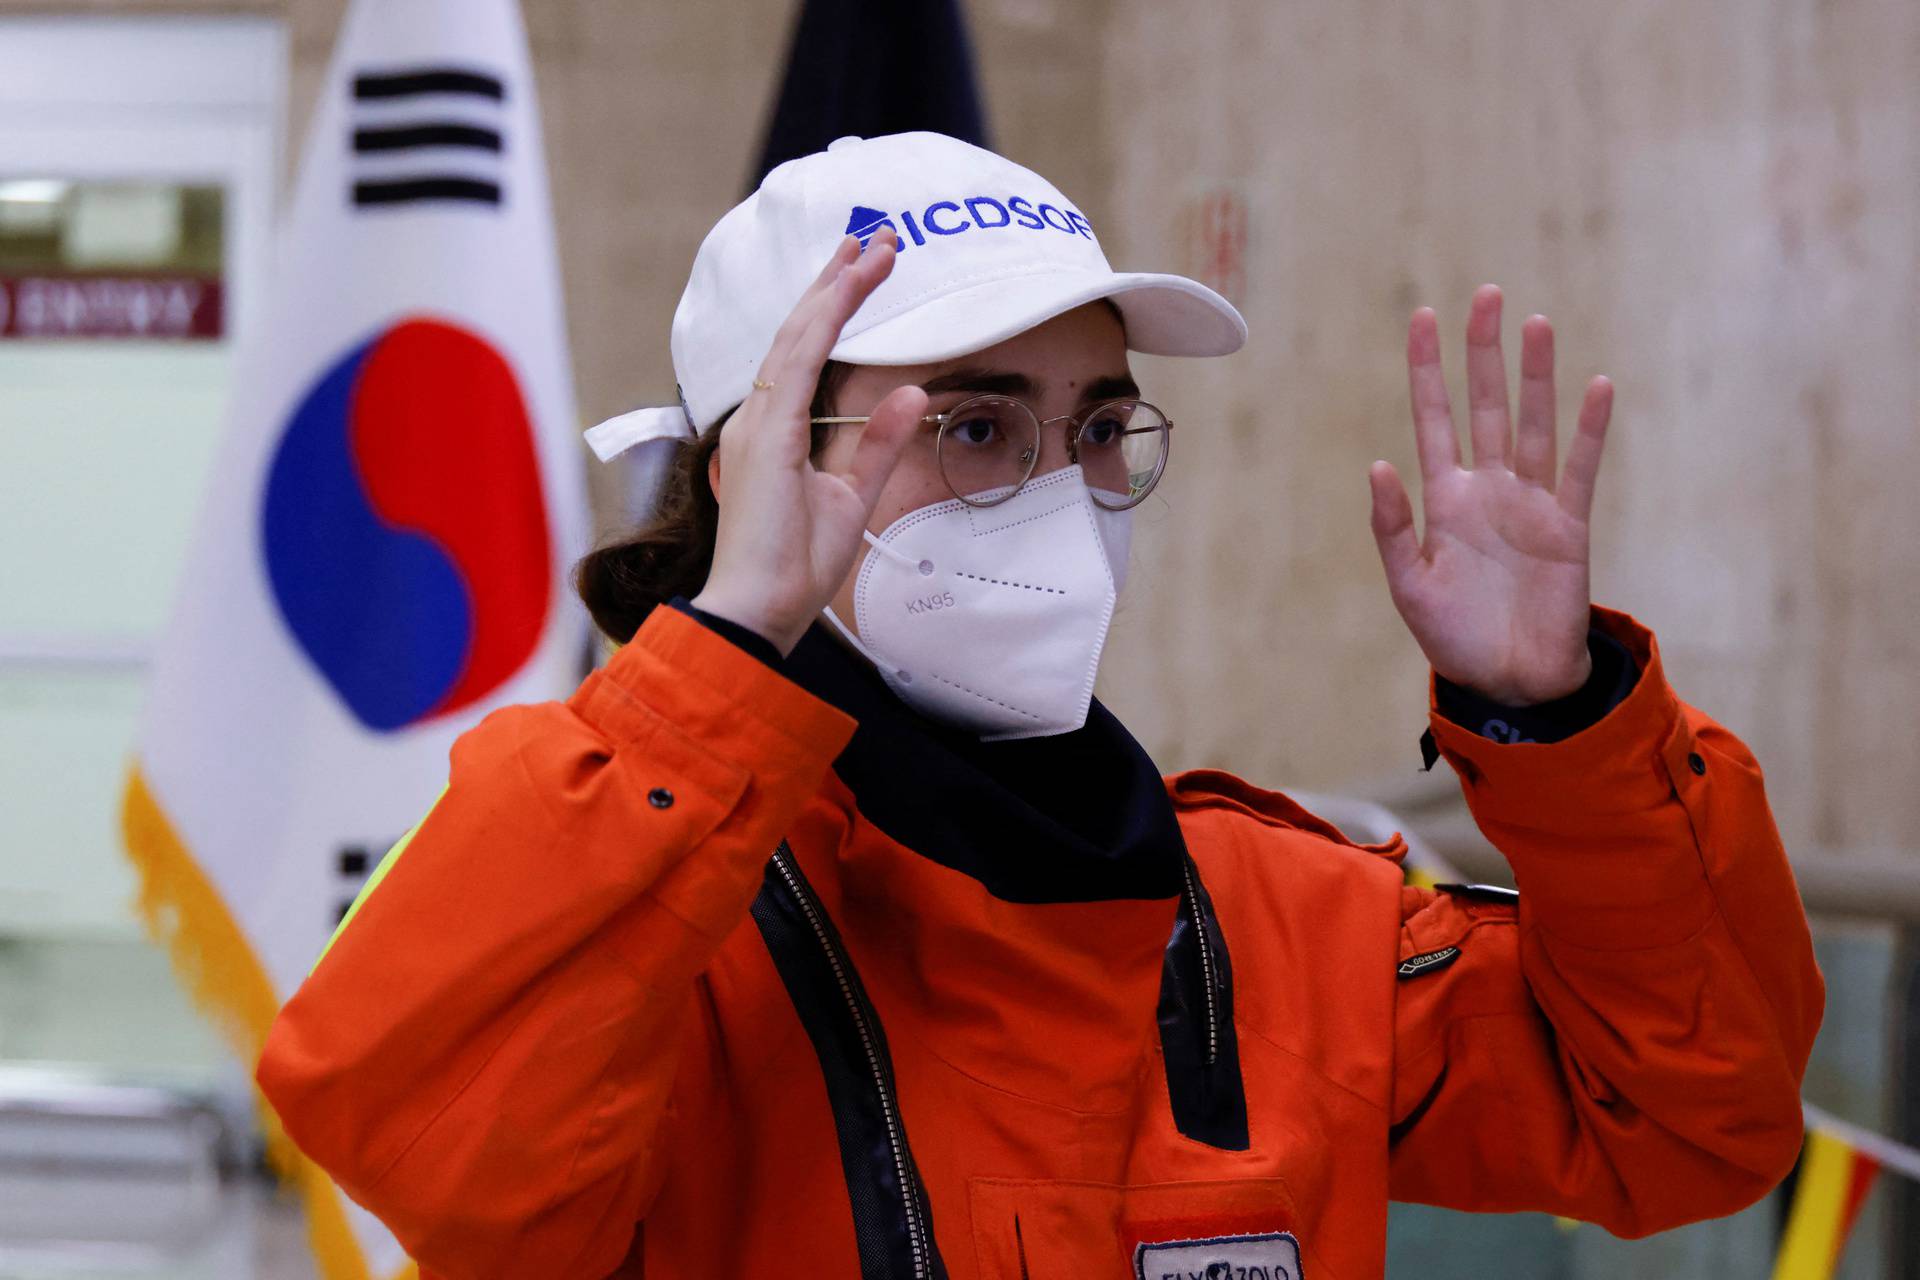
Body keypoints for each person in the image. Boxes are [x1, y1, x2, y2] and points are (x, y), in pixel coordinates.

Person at [256, 132, 1823, 1280]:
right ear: (762, 471)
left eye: (1096, 427)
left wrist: (1558, 720)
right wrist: (728, 649)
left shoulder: (1274, 925)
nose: (1061, 494)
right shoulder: (641, 908)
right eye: (976, 427)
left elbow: (1689, 1123)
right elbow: (439, 1159)